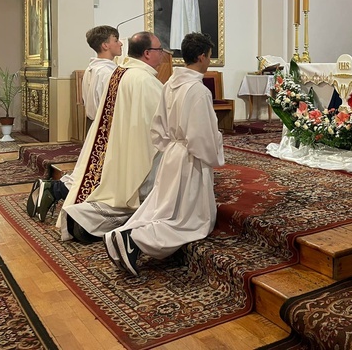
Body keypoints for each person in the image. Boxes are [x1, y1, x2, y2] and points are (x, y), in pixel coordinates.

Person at [105, 32, 224, 276]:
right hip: (191, 157)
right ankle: (135, 240)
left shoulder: (169, 83)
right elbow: (201, 136)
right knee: (191, 220)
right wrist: (214, 154)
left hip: (172, 153)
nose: (209, 61)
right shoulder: (198, 91)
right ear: (201, 57)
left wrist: (168, 148)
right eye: (209, 57)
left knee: (163, 206)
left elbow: (157, 125)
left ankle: (124, 234)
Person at [53, 32, 165, 243]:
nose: (163, 55)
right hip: (133, 147)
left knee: (112, 188)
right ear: (148, 53)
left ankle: (77, 216)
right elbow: (164, 123)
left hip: (118, 141)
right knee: (130, 197)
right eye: (160, 50)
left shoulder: (121, 72)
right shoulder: (143, 80)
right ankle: (83, 221)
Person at [27, 26, 122, 221]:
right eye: (116, 39)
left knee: (89, 172)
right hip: (105, 129)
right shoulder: (106, 73)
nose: (120, 43)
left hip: (96, 126)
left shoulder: (94, 68)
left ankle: (54, 189)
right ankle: (56, 190)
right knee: (92, 174)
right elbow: (110, 105)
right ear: (105, 45)